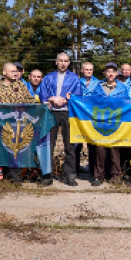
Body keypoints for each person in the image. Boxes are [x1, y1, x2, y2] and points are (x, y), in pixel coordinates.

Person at [39, 52, 81, 187]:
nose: (63, 63)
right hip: (51, 113)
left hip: (68, 113)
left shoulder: (74, 78)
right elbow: (42, 95)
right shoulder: (48, 77)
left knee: (69, 145)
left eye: (66, 61)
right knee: (49, 144)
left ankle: (70, 175)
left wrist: (68, 98)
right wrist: (52, 99)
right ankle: (47, 175)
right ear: (56, 62)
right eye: (61, 60)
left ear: (69, 63)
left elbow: (78, 95)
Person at [90, 62, 130, 187]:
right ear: (105, 73)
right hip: (101, 122)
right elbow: (92, 103)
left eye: (113, 71)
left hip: (116, 122)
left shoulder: (123, 88)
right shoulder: (98, 87)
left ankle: (116, 176)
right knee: (100, 150)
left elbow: (128, 104)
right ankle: (99, 176)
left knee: (115, 151)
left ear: (117, 73)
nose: (111, 73)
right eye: (108, 71)